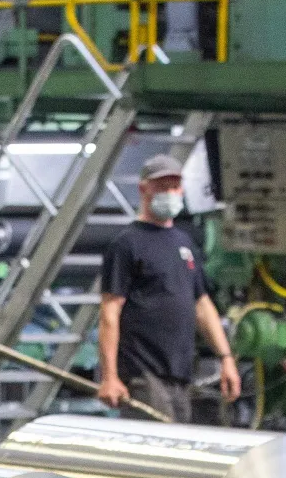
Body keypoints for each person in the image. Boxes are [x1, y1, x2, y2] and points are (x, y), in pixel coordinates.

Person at [96, 153, 240, 422]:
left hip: (180, 374)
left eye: (174, 186)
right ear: (143, 189)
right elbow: (109, 314)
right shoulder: (127, 245)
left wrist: (226, 359)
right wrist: (110, 377)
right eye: (162, 186)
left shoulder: (184, 244)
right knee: (152, 453)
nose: (170, 193)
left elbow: (202, 305)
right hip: (144, 374)